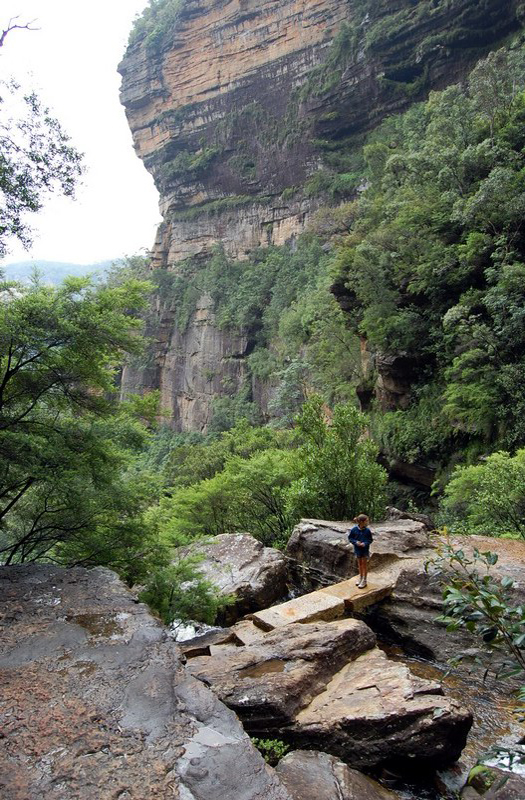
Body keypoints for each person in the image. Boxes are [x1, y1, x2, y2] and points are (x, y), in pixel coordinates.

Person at [347, 513, 373, 589]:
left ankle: (364, 580)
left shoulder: (367, 531)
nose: (368, 522)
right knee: (359, 564)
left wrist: (365, 543)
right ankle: (361, 577)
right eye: (366, 521)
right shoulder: (354, 529)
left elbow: (370, 540)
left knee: (364, 564)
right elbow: (350, 538)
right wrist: (356, 542)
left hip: (364, 549)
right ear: (362, 522)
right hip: (357, 549)